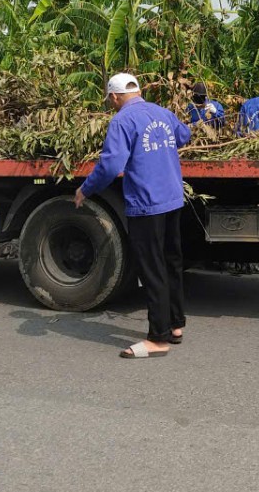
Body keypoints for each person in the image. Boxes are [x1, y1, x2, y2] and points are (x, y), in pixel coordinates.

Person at [74, 72, 192, 359]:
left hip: (147, 203)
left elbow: (111, 164)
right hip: (173, 199)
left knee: (152, 268)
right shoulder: (162, 112)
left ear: (114, 96)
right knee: (171, 263)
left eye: (110, 100)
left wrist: (85, 189)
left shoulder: (122, 120)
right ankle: (175, 325)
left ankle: (158, 339)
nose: (111, 104)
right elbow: (184, 135)